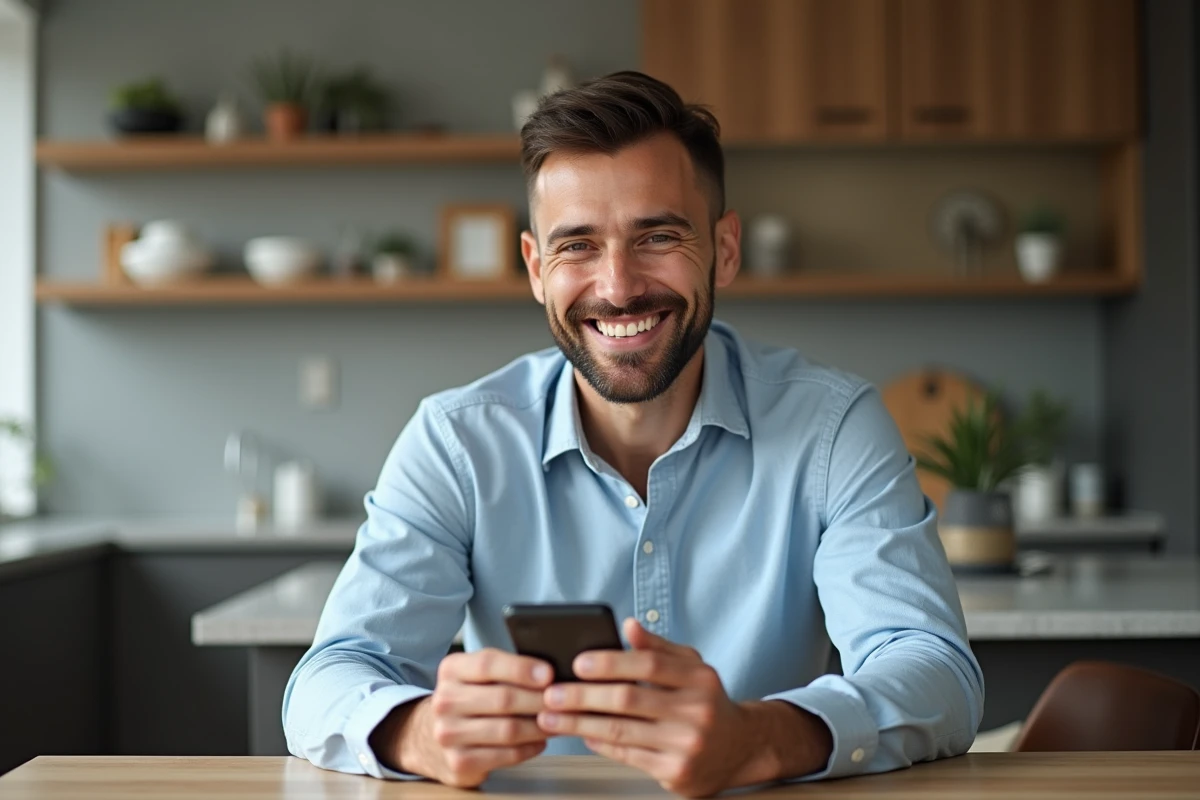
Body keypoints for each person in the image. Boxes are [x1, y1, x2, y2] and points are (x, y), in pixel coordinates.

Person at [283, 71, 983, 797]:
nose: (617, 286)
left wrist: (760, 739)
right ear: (534, 268)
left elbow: (935, 670)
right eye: (577, 246)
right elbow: (327, 680)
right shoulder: (457, 443)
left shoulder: (834, 429)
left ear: (726, 247)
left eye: (657, 236)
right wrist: (418, 731)